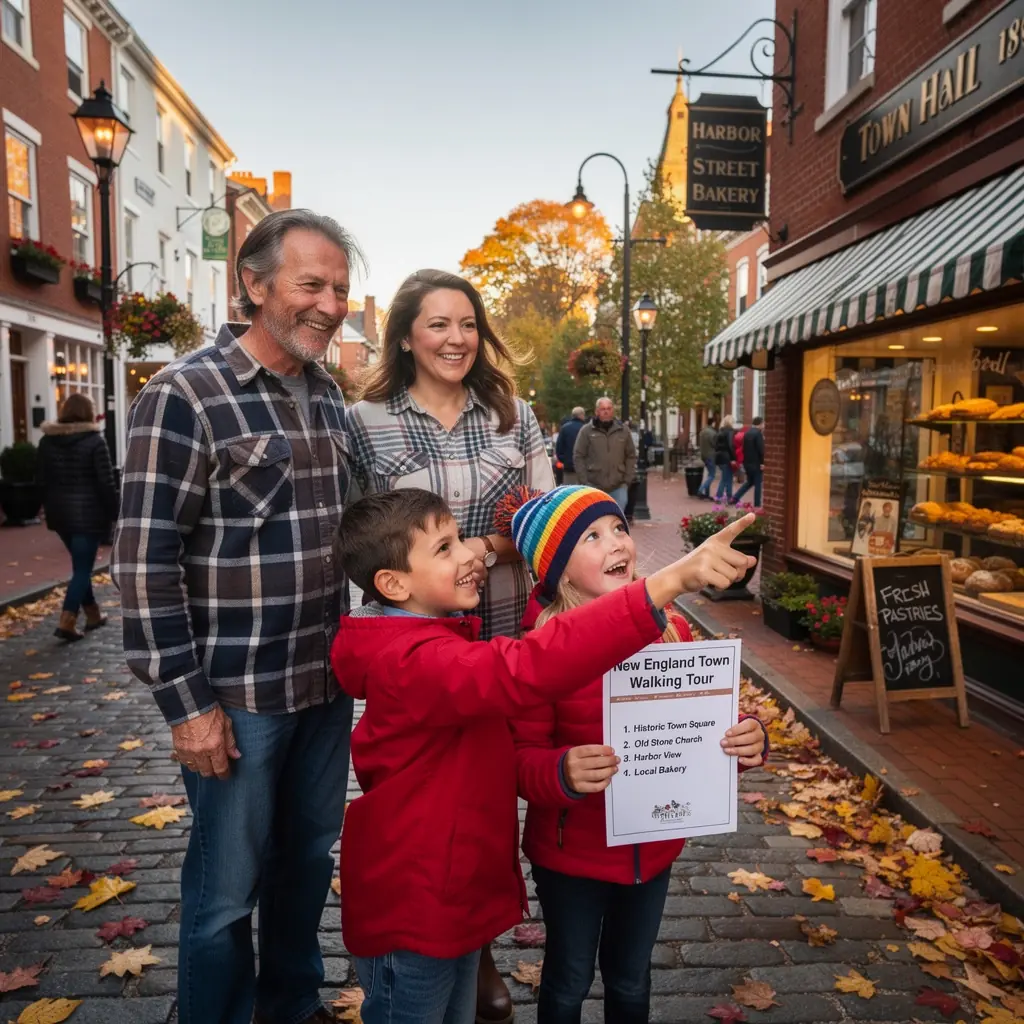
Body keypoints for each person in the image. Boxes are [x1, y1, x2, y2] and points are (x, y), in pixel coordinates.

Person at [329, 487, 758, 1024]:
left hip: (454, 893)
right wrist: (669, 581)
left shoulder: (440, 642)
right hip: (417, 901)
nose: (472, 553)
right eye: (445, 548)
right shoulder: (413, 660)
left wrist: (741, 739)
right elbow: (527, 671)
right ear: (393, 584)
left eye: (462, 537)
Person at [113, 209, 359, 1024]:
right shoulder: (184, 393)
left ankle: (292, 1007)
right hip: (239, 697)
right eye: (311, 284)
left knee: (304, 867)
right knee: (225, 892)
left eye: (340, 288)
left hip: (324, 686)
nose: (330, 304)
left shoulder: (327, 394)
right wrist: (188, 708)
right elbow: (144, 564)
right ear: (253, 285)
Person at [344, 268, 554, 1020]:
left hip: (496, 621)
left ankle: (478, 942)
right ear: (406, 335)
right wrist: (439, 565)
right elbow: (362, 537)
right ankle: (437, 941)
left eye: (467, 324)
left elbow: (538, 525)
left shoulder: (513, 417)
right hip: (413, 644)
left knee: (489, 785)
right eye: (437, 325)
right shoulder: (364, 421)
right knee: (423, 793)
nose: (455, 339)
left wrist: (472, 555)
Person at [507, 485, 768, 1023]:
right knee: (569, 980)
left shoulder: (671, 629)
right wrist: (560, 770)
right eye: (592, 536)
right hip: (571, 855)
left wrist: (745, 739)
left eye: (619, 529)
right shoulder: (544, 645)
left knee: (631, 977)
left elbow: (706, 727)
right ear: (556, 567)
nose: (617, 543)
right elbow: (520, 758)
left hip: (652, 850)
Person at [36, 393, 119, 642]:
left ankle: (93, 614)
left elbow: (39, 479)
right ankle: (67, 620)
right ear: (88, 412)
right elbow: (106, 483)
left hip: (60, 515)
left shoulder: (46, 442)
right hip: (89, 514)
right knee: (83, 569)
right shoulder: (95, 441)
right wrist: (116, 513)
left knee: (80, 566)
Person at [573, 398, 636, 510]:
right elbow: (578, 456)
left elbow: (631, 455)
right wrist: (584, 482)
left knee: (616, 522)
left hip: (618, 487)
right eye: (603, 409)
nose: (606, 411)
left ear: (613, 411)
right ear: (597, 412)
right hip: (593, 487)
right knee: (597, 522)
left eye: (609, 409)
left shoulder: (623, 430)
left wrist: (627, 480)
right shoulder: (586, 431)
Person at [732, 415, 765, 507]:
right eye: (763, 424)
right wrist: (762, 462)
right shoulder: (758, 434)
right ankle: (757, 504)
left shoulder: (747, 433)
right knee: (758, 484)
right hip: (757, 463)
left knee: (749, 482)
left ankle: (735, 498)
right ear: (760, 424)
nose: (764, 426)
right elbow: (761, 450)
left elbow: (744, 449)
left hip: (747, 463)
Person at [556, 407, 586, 485]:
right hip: (584, 468)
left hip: (568, 467)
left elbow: (559, 449)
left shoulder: (564, 428)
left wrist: (565, 460)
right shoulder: (586, 428)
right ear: (582, 415)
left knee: (569, 492)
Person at [714, 414, 738, 503]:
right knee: (726, 478)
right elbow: (730, 445)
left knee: (727, 477)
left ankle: (729, 496)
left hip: (719, 457)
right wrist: (733, 458)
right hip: (726, 457)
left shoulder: (720, 431)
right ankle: (719, 496)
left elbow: (715, 445)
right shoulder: (730, 431)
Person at [696, 415, 718, 500]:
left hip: (704, 455)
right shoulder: (713, 433)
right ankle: (701, 490)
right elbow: (715, 444)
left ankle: (706, 493)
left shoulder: (703, 432)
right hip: (711, 456)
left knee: (709, 474)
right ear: (713, 423)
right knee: (712, 475)